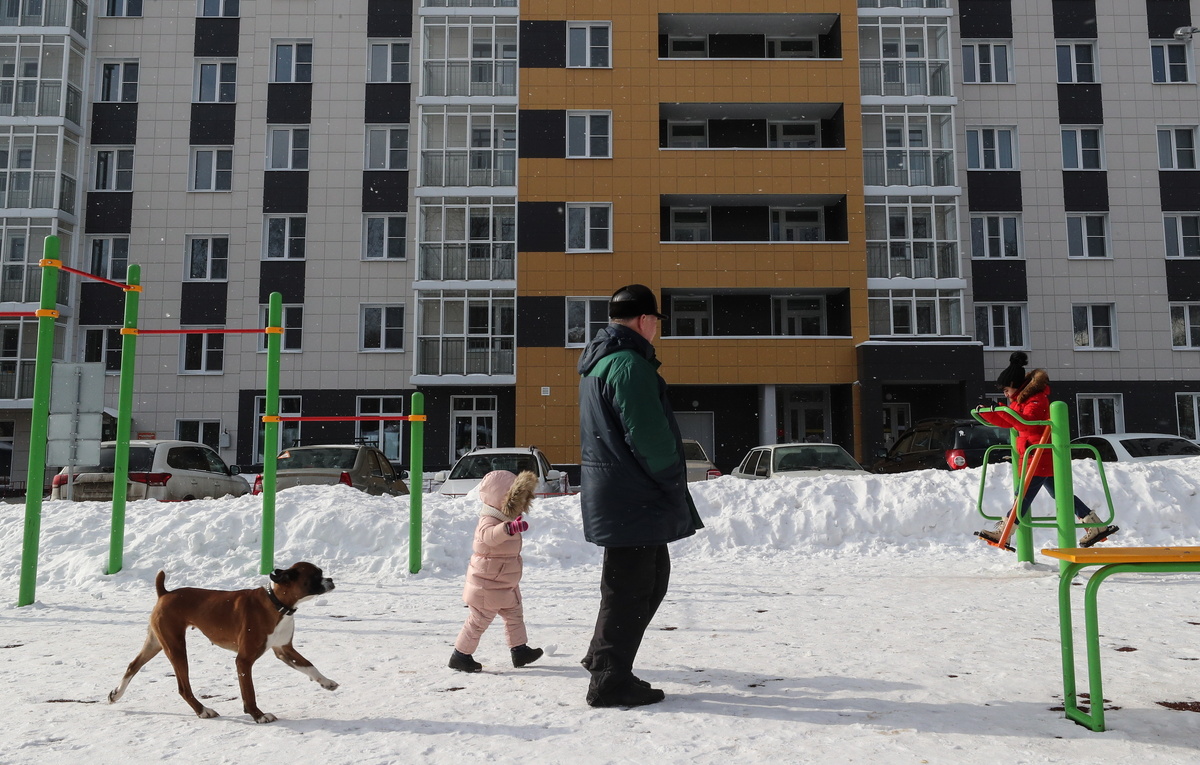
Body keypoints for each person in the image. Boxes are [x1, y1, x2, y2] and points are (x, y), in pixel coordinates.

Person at [576, 284, 704, 708]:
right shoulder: (629, 365)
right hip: (634, 492)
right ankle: (610, 678)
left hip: (617, 490)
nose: (657, 331)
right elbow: (649, 437)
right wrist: (670, 478)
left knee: (641, 581)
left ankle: (602, 655)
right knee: (632, 587)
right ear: (645, 320)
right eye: (657, 322)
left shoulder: (602, 363)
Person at [974, 354, 1113, 546]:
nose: (1005, 394)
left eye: (1006, 389)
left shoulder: (1036, 400)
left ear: (1015, 385)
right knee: (1060, 494)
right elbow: (1008, 422)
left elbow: (1027, 424)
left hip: (1039, 456)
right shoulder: (1020, 402)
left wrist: (1001, 410)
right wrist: (990, 413)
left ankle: (1005, 531)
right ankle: (1094, 524)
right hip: (1037, 455)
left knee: (1022, 495)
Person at [448, 469, 544, 673]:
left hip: (503, 582)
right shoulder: (489, 519)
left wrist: (511, 526)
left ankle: (520, 651)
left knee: (514, 614)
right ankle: (460, 655)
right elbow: (488, 537)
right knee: (479, 620)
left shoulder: (504, 517)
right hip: (488, 583)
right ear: (502, 497)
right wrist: (507, 529)